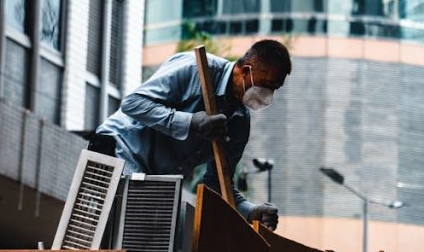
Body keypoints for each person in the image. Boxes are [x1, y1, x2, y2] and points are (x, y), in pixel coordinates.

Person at [90, 39, 291, 230]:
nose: (268, 95)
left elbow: (218, 184)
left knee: (158, 244)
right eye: (266, 85)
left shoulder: (238, 123)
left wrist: (250, 211)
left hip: (157, 180)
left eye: (274, 89)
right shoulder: (195, 69)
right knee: (126, 232)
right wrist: (191, 122)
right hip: (120, 150)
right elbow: (133, 104)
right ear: (246, 71)